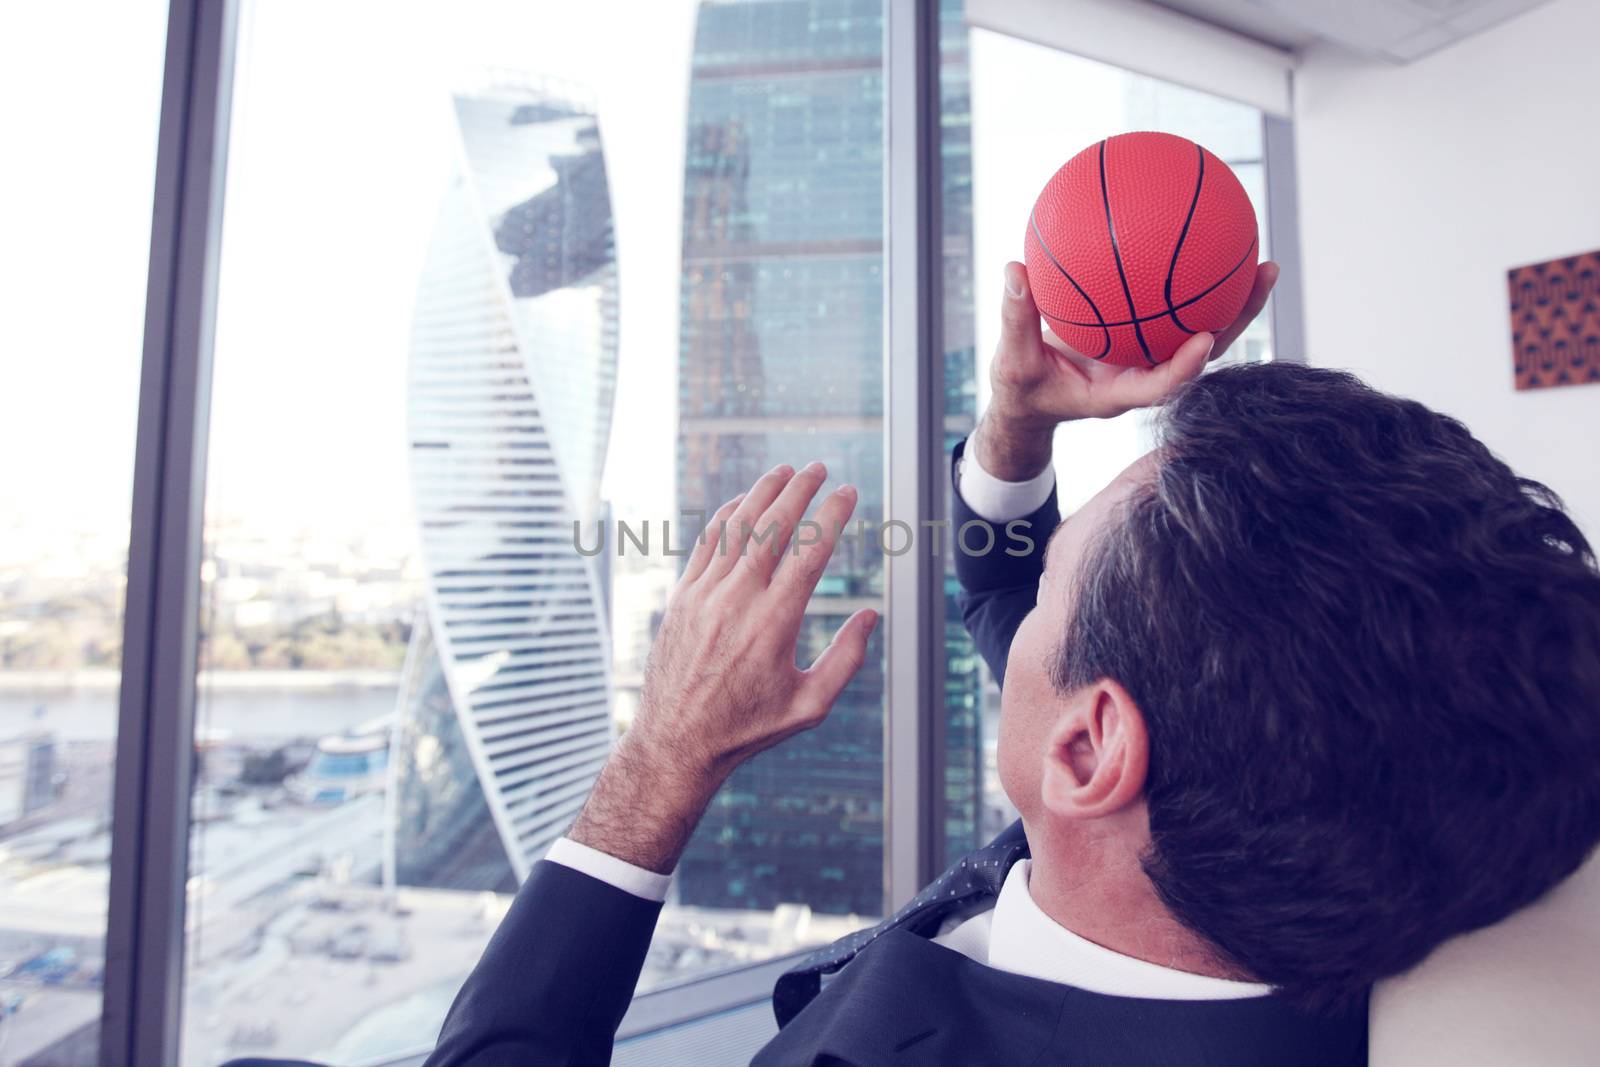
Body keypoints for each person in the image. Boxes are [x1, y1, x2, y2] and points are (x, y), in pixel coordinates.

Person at [230, 260, 1600, 1066]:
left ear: (1088, 751)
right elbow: (1022, 586)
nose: (1026, 597)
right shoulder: (1316, 794)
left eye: (1064, 577)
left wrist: (659, 763)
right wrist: (1014, 434)